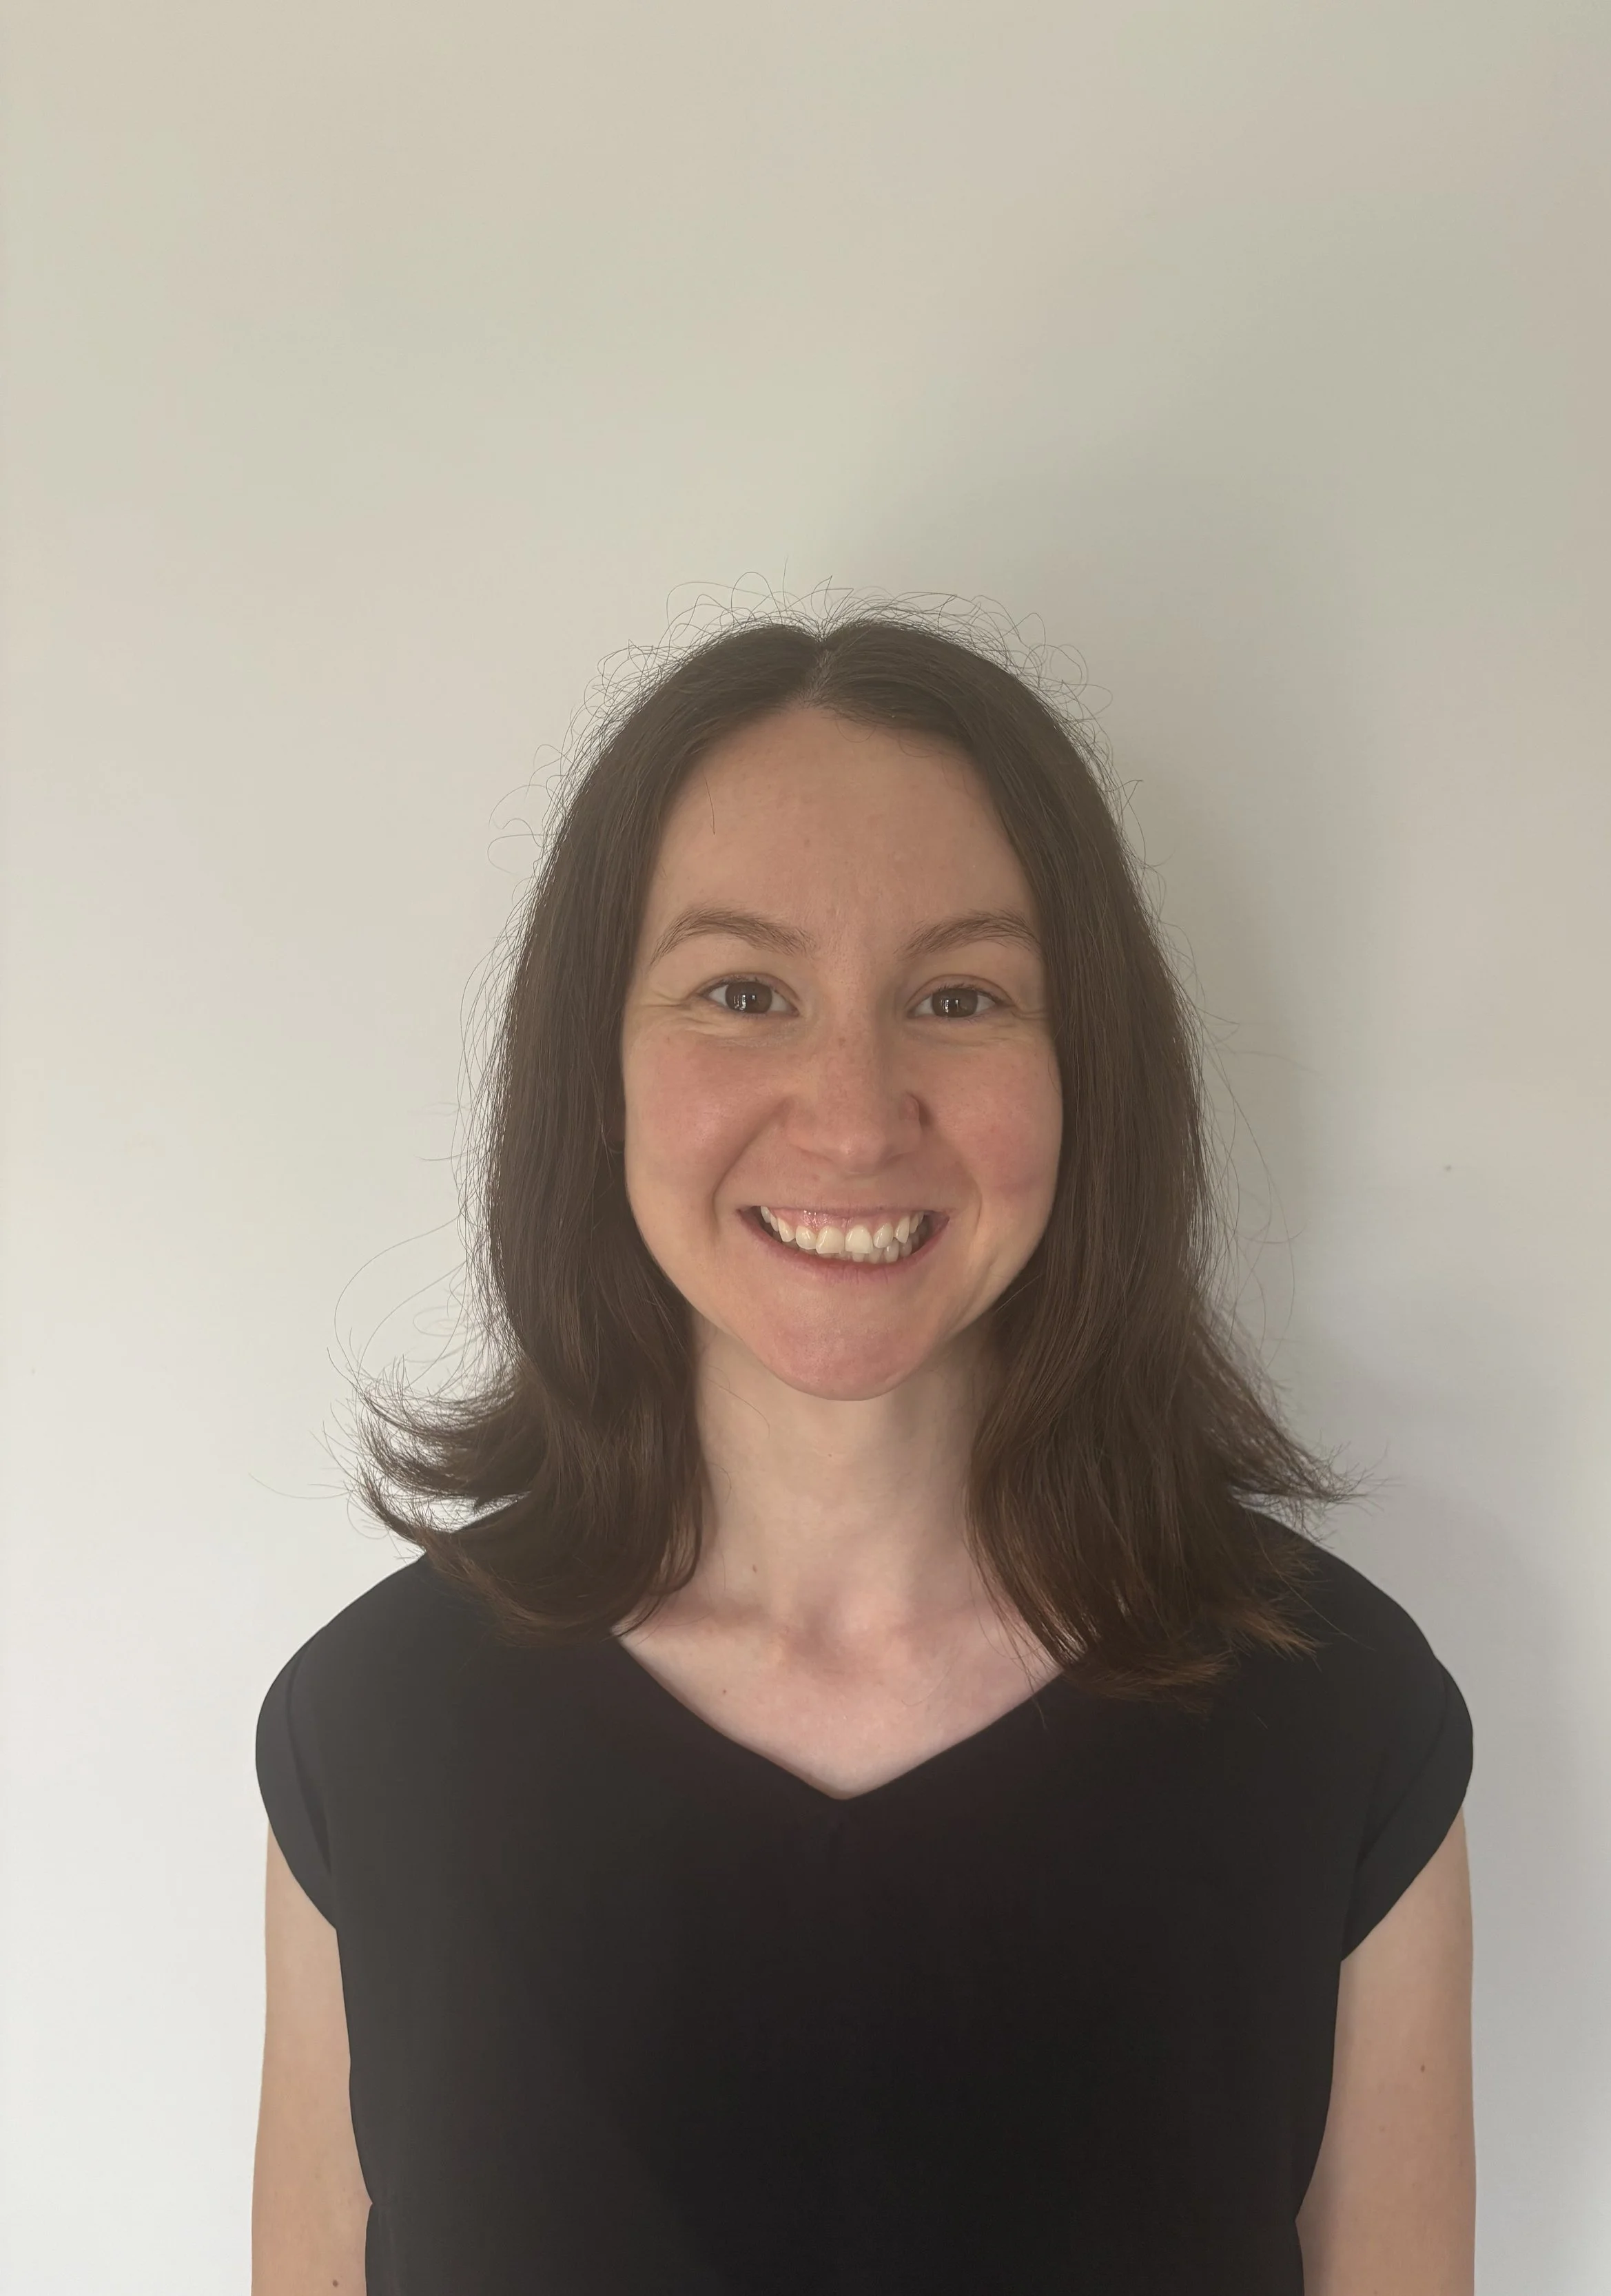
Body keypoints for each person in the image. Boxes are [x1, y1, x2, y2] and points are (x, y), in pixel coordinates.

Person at [252, 612, 1475, 2295]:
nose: (850, 1109)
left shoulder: (1344, 1723)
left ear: (1085, 1076)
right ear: (592, 1069)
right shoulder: (366, 1734)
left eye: (957, 995)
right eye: (742, 991)